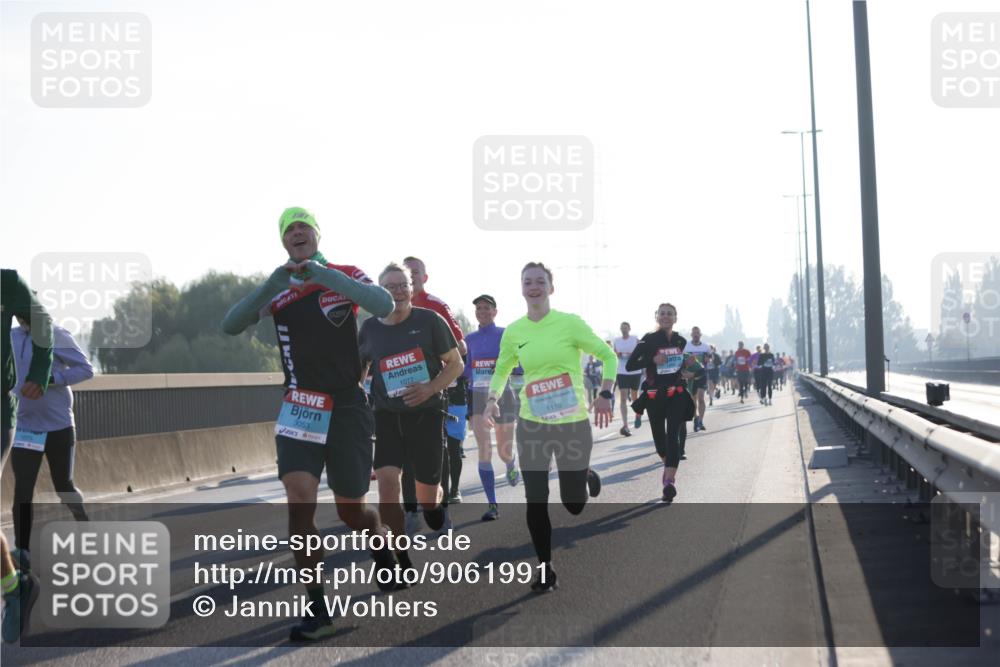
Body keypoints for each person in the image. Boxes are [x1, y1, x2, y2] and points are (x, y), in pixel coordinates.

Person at [222, 207, 396, 641]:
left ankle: (381, 539)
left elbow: (383, 304)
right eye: (289, 229)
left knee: (350, 511)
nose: (297, 233)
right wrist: (277, 282)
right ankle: (317, 605)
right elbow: (230, 325)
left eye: (304, 227)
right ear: (284, 241)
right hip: (301, 406)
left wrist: (322, 275)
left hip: (349, 407)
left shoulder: (344, 273)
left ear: (317, 236)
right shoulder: (279, 288)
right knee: (299, 500)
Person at [484, 262, 615, 592]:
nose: (534, 286)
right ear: (521, 288)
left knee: (574, 505)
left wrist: (605, 393)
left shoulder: (570, 324)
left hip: (572, 424)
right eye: (527, 281)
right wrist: (492, 398)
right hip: (532, 425)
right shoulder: (515, 332)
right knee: (536, 500)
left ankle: (583, 474)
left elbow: (608, 356)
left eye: (540, 281)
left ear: (551, 288)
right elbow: (501, 370)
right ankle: (545, 567)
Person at [359, 263, 464, 570]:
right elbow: (359, 369)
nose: (398, 291)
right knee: (388, 485)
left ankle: (434, 507)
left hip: (426, 414)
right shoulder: (370, 328)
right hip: (387, 416)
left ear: (412, 288)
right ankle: (400, 555)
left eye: (403, 285)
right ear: (379, 292)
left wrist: (430, 388)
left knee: (426, 498)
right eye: (390, 287)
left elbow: (455, 364)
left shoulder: (429, 320)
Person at [11, 318, 93, 570]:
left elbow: (86, 369)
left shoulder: (56, 334)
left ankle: (84, 524)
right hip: (25, 426)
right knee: (23, 492)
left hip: (58, 425)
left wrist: (53, 378)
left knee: (63, 486)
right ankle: (23, 554)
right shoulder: (9, 336)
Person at [2, 270, 53, 644]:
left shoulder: (6, 283)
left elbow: (43, 324)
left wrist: (39, 371)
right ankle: (12, 564)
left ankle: (14, 588)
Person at [401, 256, 467, 534]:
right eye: (406, 273)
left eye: (415, 272)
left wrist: (435, 370)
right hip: (401, 394)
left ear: (424, 278)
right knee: (406, 456)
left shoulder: (436, 306)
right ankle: (411, 512)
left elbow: (460, 347)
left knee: (434, 454)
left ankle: (442, 508)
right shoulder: (387, 307)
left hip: (431, 393)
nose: (411, 277)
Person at [625, 303, 695, 503]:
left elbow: (676, 366)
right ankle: (667, 470)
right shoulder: (648, 339)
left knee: (673, 435)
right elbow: (630, 365)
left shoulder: (681, 340)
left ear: (675, 317)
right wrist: (652, 360)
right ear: (657, 316)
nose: (666, 317)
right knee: (660, 441)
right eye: (662, 313)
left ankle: (669, 483)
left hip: (676, 393)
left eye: (670, 314)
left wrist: (685, 365)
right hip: (655, 395)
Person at [464, 294, 520, 522]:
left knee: (503, 450)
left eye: (487, 308)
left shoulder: (506, 334)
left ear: (495, 312)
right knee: (484, 449)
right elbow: (466, 369)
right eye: (478, 308)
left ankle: (510, 464)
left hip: (503, 396)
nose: (482, 312)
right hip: (478, 397)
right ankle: (492, 504)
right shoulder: (470, 338)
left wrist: (505, 367)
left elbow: (519, 363)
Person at [613, 322, 642, 436]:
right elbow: (614, 354)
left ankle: (638, 414)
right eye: (622, 328)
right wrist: (618, 355)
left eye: (625, 327)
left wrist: (634, 355)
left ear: (629, 329)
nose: (624, 329)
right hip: (622, 371)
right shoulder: (617, 341)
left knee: (635, 398)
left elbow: (642, 351)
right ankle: (625, 425)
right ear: (620, 329)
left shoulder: (635, 339)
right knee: (623, 398)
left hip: (635, 371)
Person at [683, 327, 711, 432]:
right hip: (690, 376)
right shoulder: (686, 347)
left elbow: (709, 359)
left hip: (702, 375)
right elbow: (683, 361)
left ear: (700, 335)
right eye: (694, 333)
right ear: (691, 335)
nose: (695, 335)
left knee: (701, 398)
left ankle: (701, 421)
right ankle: (695, 417)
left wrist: (708, 359)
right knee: (693, 399)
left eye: (697, 333)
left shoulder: (706, 347)